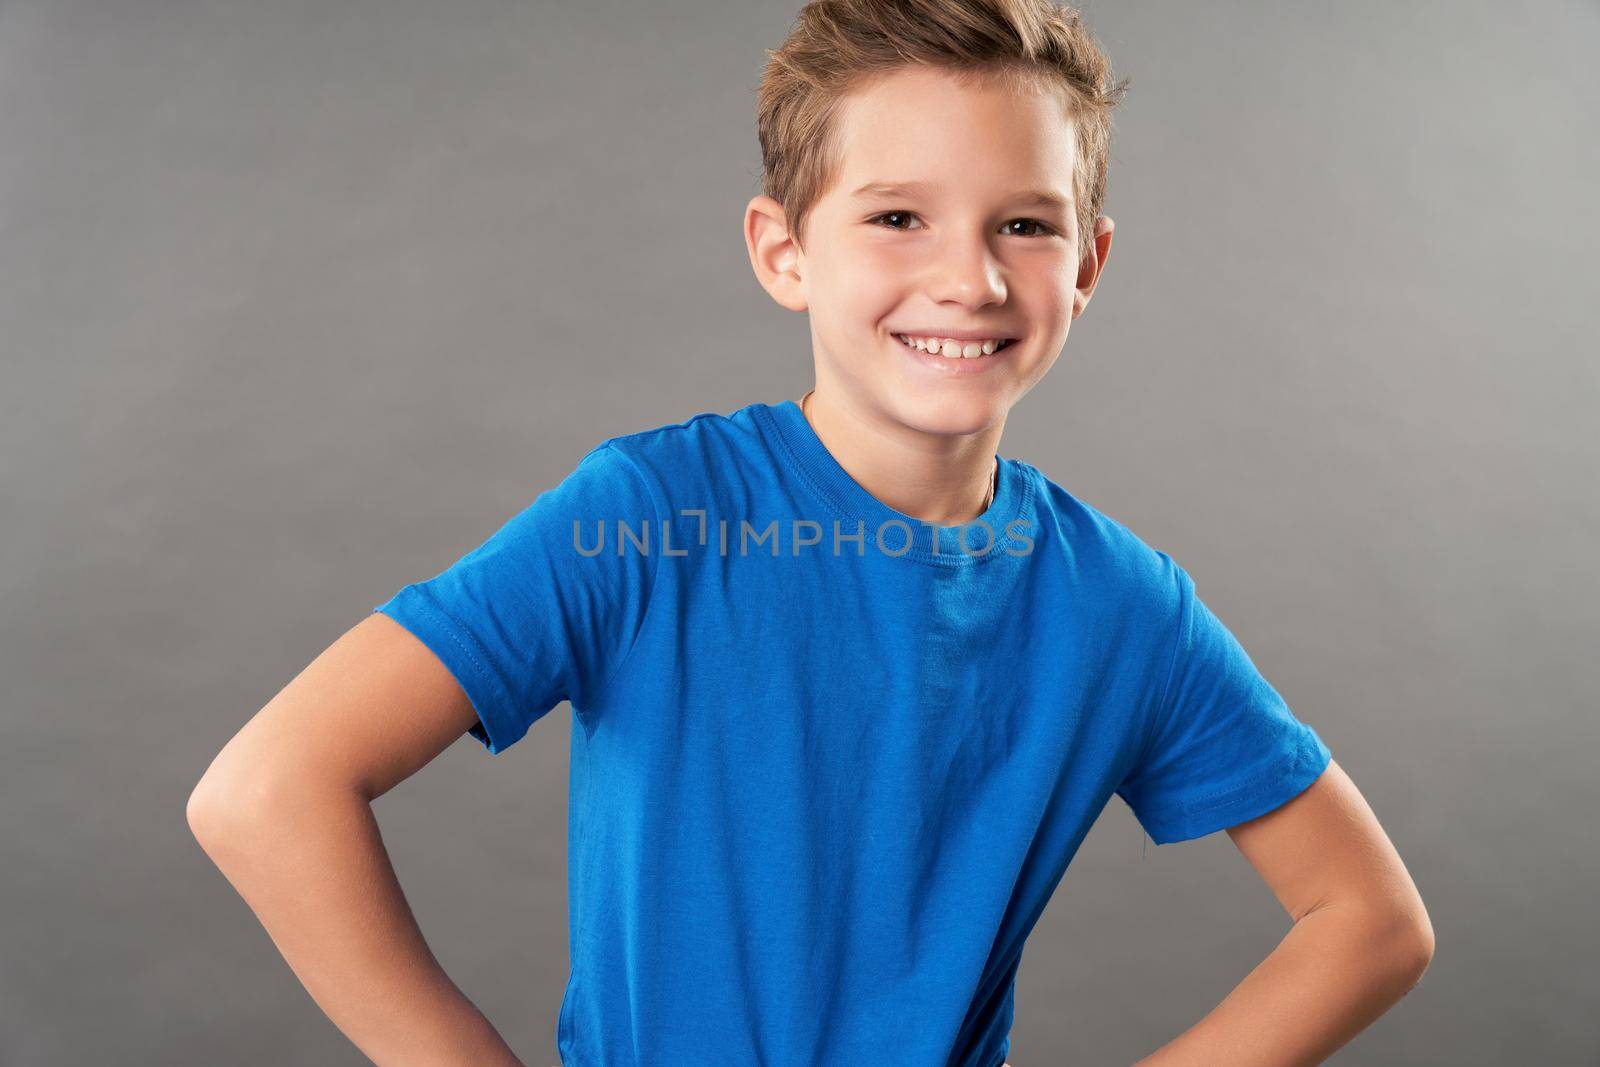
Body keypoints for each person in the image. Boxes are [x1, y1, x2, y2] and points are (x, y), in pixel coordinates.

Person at [186, 2, 1434, 1065]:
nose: (971, 278)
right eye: (898, 217)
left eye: (1026, 223)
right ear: (785, 253)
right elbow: (264, 791)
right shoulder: (654, 516)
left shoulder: (1120, 602)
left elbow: (1371, 920)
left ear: (1089, 261)